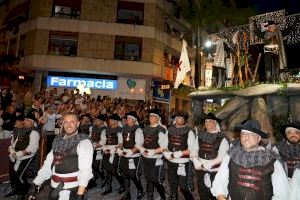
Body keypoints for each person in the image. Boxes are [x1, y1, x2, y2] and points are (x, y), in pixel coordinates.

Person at [211, 120, 289, 200]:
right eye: (244, 134)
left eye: (251, 135)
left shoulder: (271, 160)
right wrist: (221, 197)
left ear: (259, 138)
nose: (246, 137)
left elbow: (282, 193)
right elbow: (219, 181)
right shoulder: (231, 155)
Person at [28, 112, 93, 200]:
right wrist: (35, 184)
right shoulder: (58, 140)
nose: (68, 125)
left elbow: (85, 172)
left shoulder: (84, 142)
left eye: (72, 122)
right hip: (53, 187)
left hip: (71, 189)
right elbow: (47, 166)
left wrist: (79, 195)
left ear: (78, 124)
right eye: (66, 122)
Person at [191, 113, 229, 200]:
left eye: (210, 122)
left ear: (215, 123)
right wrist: (195, 160)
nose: (207, 123)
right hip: (200, 169)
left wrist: (210, 164)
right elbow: (194, 150)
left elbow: (222, 156)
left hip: (215, 172)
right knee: (202, 192)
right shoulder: (200, 135)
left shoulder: (222, 138)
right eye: (206, 122)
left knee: (214, 194)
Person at [163, 111, 195, 200]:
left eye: (181, 118)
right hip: (171, 161)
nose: (178, 119)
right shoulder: (169, 130)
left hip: (183, 163)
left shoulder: (189, 131)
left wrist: (179, 153)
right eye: (177, 118)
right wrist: (166, 153)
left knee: (183, 186)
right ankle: (173, 197)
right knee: (172, 182)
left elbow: (191, 149)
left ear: (184, 120)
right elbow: (164, 145)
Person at [6, 116, 40, 200]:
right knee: (14, 174)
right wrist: (12, 151)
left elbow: (31, 149)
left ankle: (23, 194)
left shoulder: (34, 133)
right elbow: (14, 145)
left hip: (27, 157)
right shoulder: (22, 132)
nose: (24, 121)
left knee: (20, 176)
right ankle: (16, 190)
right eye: (24, 119)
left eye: (27, 120)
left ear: (32, 123)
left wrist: (18, 154)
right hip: (17, 156)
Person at [140, 109, 167, 200]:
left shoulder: (161, 129)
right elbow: (141, 142)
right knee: (148, 178)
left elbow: (164, 147)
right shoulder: (146, 128)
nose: (151, 118)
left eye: (153, 116)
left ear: (158, 118)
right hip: (145, 157)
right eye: (150, 116)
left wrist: (153, 152)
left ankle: (163, 196)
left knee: (156, 180)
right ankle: (149, 196)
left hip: (156, 158)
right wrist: (142, 150)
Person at [117, 111, 144, 200]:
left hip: (134, 155)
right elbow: (121, 142)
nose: (127, 120)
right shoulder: (123, 129)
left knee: (133, 175)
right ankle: (127, 194)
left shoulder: (138, 129)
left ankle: (140, 189)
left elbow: (138, 144)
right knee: (125, 174)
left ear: (134, 120)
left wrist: (131, 152)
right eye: (127, 118)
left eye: (129, 118)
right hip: (125, 154)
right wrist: (119, 149)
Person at [273, 121, 300, 200]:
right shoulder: (277, 149)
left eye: (296, 132)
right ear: (285, 135)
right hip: (281, 187)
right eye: (289, 132)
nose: (293, 135)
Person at [100, 113, 124, 195]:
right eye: (110, 120)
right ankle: (108, 187)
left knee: (115, 171)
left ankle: (122, 185)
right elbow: (103, 141)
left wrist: (113, 149)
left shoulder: (120, 130)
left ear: (116, 121)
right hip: (107, 152)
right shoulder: (106, 130)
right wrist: (104, 149)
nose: (110, 121)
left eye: (111, 120)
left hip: (116, 153)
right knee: (107, 170)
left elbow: (121, 144)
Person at [88, 114, 107, 189]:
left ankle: (104, 178)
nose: (95, 121)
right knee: (92, 165)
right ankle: (95, 176)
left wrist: (95, 145)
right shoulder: (93, 127)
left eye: (97, 120)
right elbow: (90, 137)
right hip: (92, 148)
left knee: (98, 166)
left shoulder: (105, 129)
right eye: (95, 120)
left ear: (102, 121)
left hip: (100, 150)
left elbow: (103, 141)